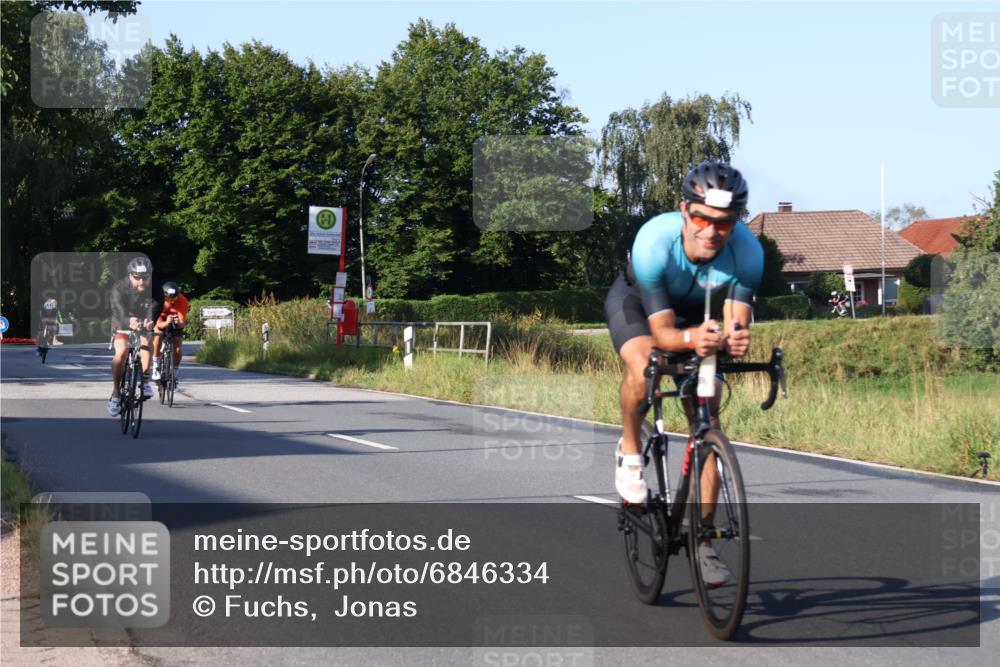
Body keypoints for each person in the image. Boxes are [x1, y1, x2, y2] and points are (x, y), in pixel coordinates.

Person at [603, 161, 763, 585]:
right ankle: (631, 451)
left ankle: (704, 542)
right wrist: (694, 340)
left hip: (699, 312)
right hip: (640, 304)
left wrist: (735, 338)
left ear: (736, 222)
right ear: (684, 210)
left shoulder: (748, 254)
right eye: (701, 218)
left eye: (725, 223)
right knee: (645, 364)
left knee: (707, 419)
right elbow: (664, 334)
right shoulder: (654, 241)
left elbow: (736, 319)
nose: (711, 231)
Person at [108, 256, 155, 416]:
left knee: (147, 342)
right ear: (130, 276)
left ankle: (146, 380)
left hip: (142, 321)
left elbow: (157, 303)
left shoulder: (153, 287)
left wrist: (150, 318)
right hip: (122, 320)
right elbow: (118, 309)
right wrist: (129, 320)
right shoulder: (119, 288)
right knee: (121, 353)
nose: (141, 282)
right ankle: (115, 394)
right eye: (137, 278)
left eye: (145, 278)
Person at [150, 281, 189, 391]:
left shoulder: (182, 301)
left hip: (174, 319)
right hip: (161, 318)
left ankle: (175, 375)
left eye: (174, 299)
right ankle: (156, 366)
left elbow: (182, 323)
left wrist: (178, 323)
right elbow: (158, 324)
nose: (171, 301)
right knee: (158, 335)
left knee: (177, 348)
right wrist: (166, 323)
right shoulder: (157, 300)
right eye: (168, 299)